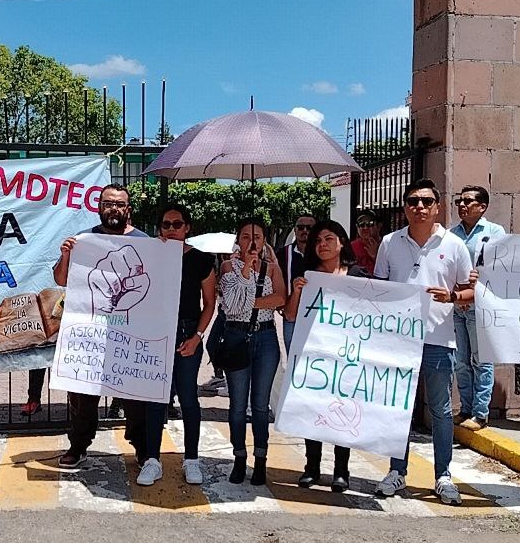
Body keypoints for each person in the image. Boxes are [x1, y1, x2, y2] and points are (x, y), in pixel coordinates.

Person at [373, 179, 473, 506]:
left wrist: (454, 296)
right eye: (413, 201)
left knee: (441, 411)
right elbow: (378, 288)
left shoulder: (455, 245)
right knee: (397, 409)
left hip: (439, 341)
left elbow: (471, 291)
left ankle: (443, 476)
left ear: (437, 206)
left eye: (426, 201)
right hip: (399, 342)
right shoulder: (389, 243)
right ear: (405, 207)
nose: (420, 207)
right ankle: (396, 471)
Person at [54, 184, 153, 472]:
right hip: (91, 335)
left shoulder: (145, 242)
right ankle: (79, 445)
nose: (114, 209)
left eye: (119, 204)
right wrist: (66, 255)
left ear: (128, 209)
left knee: (135, 394)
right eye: (108, 203)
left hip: (131, 335)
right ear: (99, 206)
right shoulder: (84, 241)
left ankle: (143, 449)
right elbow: (61, 280)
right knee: (83, 394)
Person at [285, 220, 370, 493]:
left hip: (347, 357)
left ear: (342, 242)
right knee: (315, 413)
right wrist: (297, 291)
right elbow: (290, 315)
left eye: (329, 239)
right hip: (315, 356)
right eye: (318, 240)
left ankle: (341, 471)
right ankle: (312, 468)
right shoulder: (307, 275)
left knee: (343, 412)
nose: (322, 244)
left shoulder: (358, 275)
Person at [218, 218, 287, 486]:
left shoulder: (272, 268)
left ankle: (261, 459)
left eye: (257, 236)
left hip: (265, 337)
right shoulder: (228, 266)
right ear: (238, 240)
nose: (252, 242)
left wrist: (245, 300)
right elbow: (230, 307)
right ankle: (238, 456)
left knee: (260, 405)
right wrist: (246, 268)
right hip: (237, 336)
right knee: (237, 405)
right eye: (246, 236)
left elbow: (280, 298)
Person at [156, 204, 217, 485]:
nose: (171, 229)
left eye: (176, 224)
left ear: (187, 227)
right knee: (155, 398)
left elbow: (210, 304)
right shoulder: (151, 254)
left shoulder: (202, 259)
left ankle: (191, 458)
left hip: (187, 333)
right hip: (156, 332)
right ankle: (151, 458)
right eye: (166, 224)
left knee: (188, 397)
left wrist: (197, 337)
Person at [449, 185, 506, 432]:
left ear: (482, 207)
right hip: (457, 302)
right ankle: (466, 407)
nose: (462, 205)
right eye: (459, 201)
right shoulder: (452, 234)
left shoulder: (494, 232)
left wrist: (482, 275)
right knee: (461, 360)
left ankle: (481, 412)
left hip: (481, 303)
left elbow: (503, 265)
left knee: (481, 360)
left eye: (468, 201)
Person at [277, 214, 316, 353]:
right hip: (292, 315)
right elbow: (277, 280)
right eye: (300, 227)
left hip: (317, 317)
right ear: (295, 230)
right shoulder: (283, 255)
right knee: (294, 359)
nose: (304, 230)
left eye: (309, 228)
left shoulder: (323, 254)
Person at [350, 208, 381, 275]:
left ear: (379, 226)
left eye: (370, 223)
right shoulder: (351, 247)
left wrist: (376, 256)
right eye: (361, 224)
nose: (365, 228)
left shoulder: (386, 245)